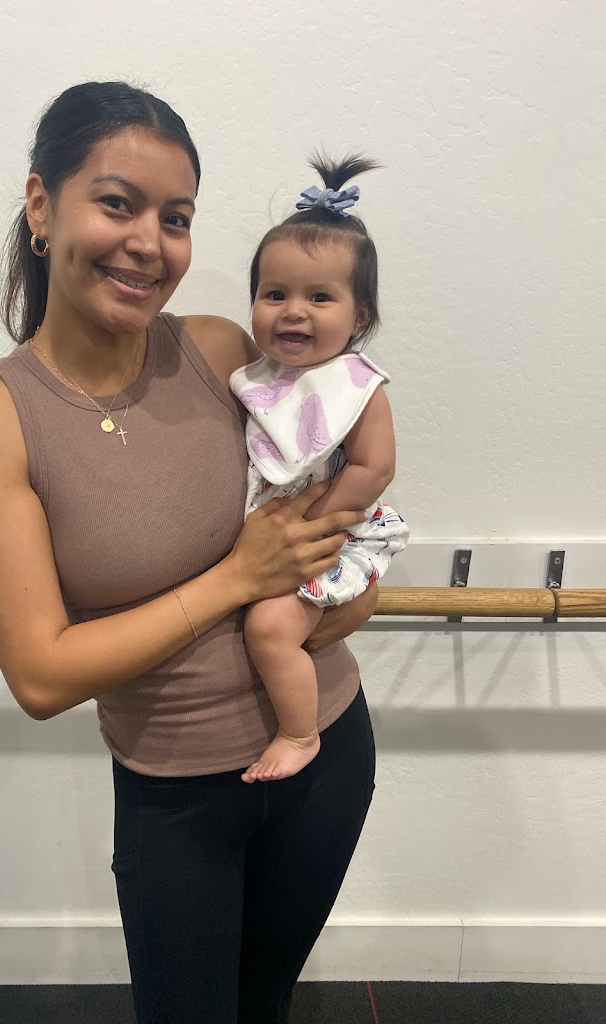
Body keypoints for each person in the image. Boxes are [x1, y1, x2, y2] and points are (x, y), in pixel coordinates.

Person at [0, 81, 379, 1024]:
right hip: (176, 797)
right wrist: (239, 580)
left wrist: (339, 594)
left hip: (328, 748)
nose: (150, 242)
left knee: (265, 1004)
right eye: (117, 203)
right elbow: (42, 677)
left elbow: (332, 528)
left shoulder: (220, 352)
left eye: (176, 218)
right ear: (41, 205)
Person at [231, 156, 409, 785]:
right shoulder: (256, 380)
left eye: (319, 297)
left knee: (270, 627)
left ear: (359, 317)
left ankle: (299, 733)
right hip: (273, 536)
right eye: (274, 294)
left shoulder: (356, 385)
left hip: (329, 532)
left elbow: (374, 468)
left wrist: (308, 523)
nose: (293, 311)